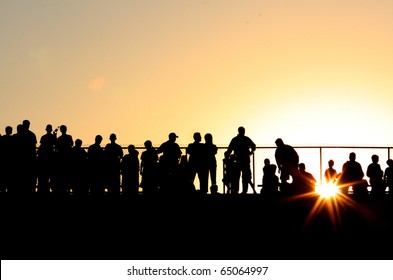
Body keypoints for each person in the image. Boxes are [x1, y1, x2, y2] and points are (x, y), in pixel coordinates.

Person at [225, 126, 256, 194]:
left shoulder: (235, 139)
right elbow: (253, 146)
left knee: (237, 176)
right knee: (244, 176)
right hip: (244, 159)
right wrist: (251, 152)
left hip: (238, 159)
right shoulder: (246, 139)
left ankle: (237, 190)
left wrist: (227, 156)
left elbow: (229, 149)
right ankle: (243, 191)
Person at [37, 124, 57, 193]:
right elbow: (55, 144)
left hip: (44, 158)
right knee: (52, 177)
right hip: (51, 158)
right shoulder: (52, 137)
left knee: (44, 178)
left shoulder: (43, 137)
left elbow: (41, 146)